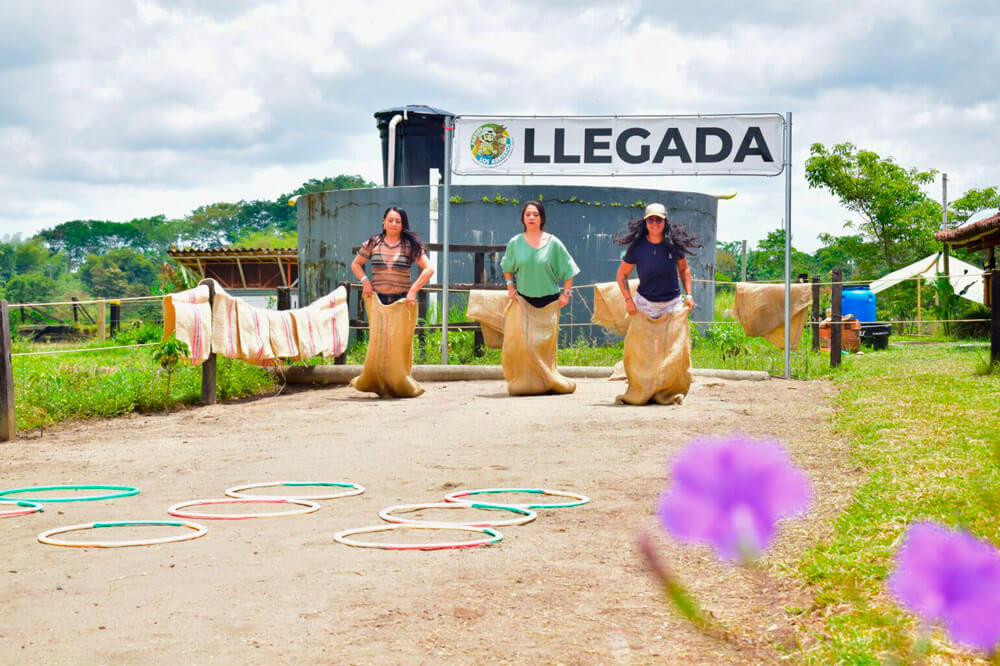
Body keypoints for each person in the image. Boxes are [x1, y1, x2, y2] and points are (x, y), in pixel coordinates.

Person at [614, 203, 701, 319]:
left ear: (665, 222)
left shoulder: (673, 245)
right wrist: (629, 301)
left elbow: (684, 269)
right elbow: (622, 275)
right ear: (645, 223)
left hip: (672, 306)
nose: (655, 223)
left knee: (673, 338)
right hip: (644, 306)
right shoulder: (637, 248)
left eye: (659, 219)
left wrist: (689, 295)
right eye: (650, 220)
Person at [501, 200, 579, 308]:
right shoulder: (515, 243)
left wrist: (566, 294)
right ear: (523, 218)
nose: (531, 217)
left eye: (536, 214)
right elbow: (507, 268)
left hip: (550, 302)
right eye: (528, 214)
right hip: (523, 301)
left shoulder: (553, 243)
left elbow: (569, 270)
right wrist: (510, 286)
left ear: (542, 218)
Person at [351, 207, 434, 305]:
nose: (394, 224)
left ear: (403, 225)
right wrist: (365, 281)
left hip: (402, 301)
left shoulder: (410, 245)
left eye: (398, 221)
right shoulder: (373, 243)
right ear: (384, 222)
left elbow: (429, 269)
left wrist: (413, 291)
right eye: (390, 220)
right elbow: (355, 264)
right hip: (377, 300)